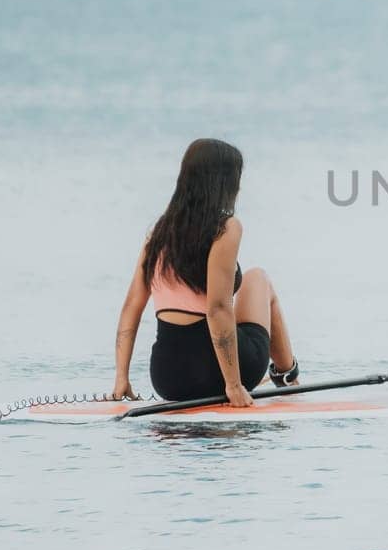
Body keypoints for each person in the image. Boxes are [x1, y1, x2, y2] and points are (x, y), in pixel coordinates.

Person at [111, 138, 299, 406]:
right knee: (258, 279)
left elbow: (132, 305)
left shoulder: (158, 234)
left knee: (245, 289)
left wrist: (121, 378)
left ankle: (284, 376)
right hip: (216, 373)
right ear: (224, 182)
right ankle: (288, 376)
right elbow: (218, 309)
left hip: (168, 379)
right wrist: (233, 386)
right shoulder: (225, 228)